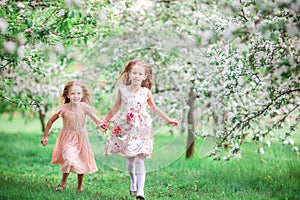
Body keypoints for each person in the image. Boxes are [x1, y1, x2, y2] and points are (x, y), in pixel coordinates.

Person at [100, 60, 179, 200]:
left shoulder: (146, 92)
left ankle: (141, 191)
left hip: (142, 127)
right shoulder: (122, 89)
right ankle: (132, 180)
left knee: (139, 158)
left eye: (140, 74)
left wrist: (168, 119)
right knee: (130, 160)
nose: (136, 76)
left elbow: (154, 108)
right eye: (134, 73)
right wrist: (106, 120)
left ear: (144, 77)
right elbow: (116, 107)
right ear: (129, 75)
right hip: (125, 126)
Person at [40, 80, 103, 192]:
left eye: (78, 93)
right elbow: (50, 121)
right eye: (73, 93)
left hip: (82, 138)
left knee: (82, 161)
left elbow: (97, 120)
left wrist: (102, 124)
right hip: (67, 137)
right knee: (69, 159)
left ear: (82, 95)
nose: (76, 96)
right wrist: (45, 136)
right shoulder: (63, 108)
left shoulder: (85, 107)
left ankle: (79, 187)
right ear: (68, 95)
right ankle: (63, 183)